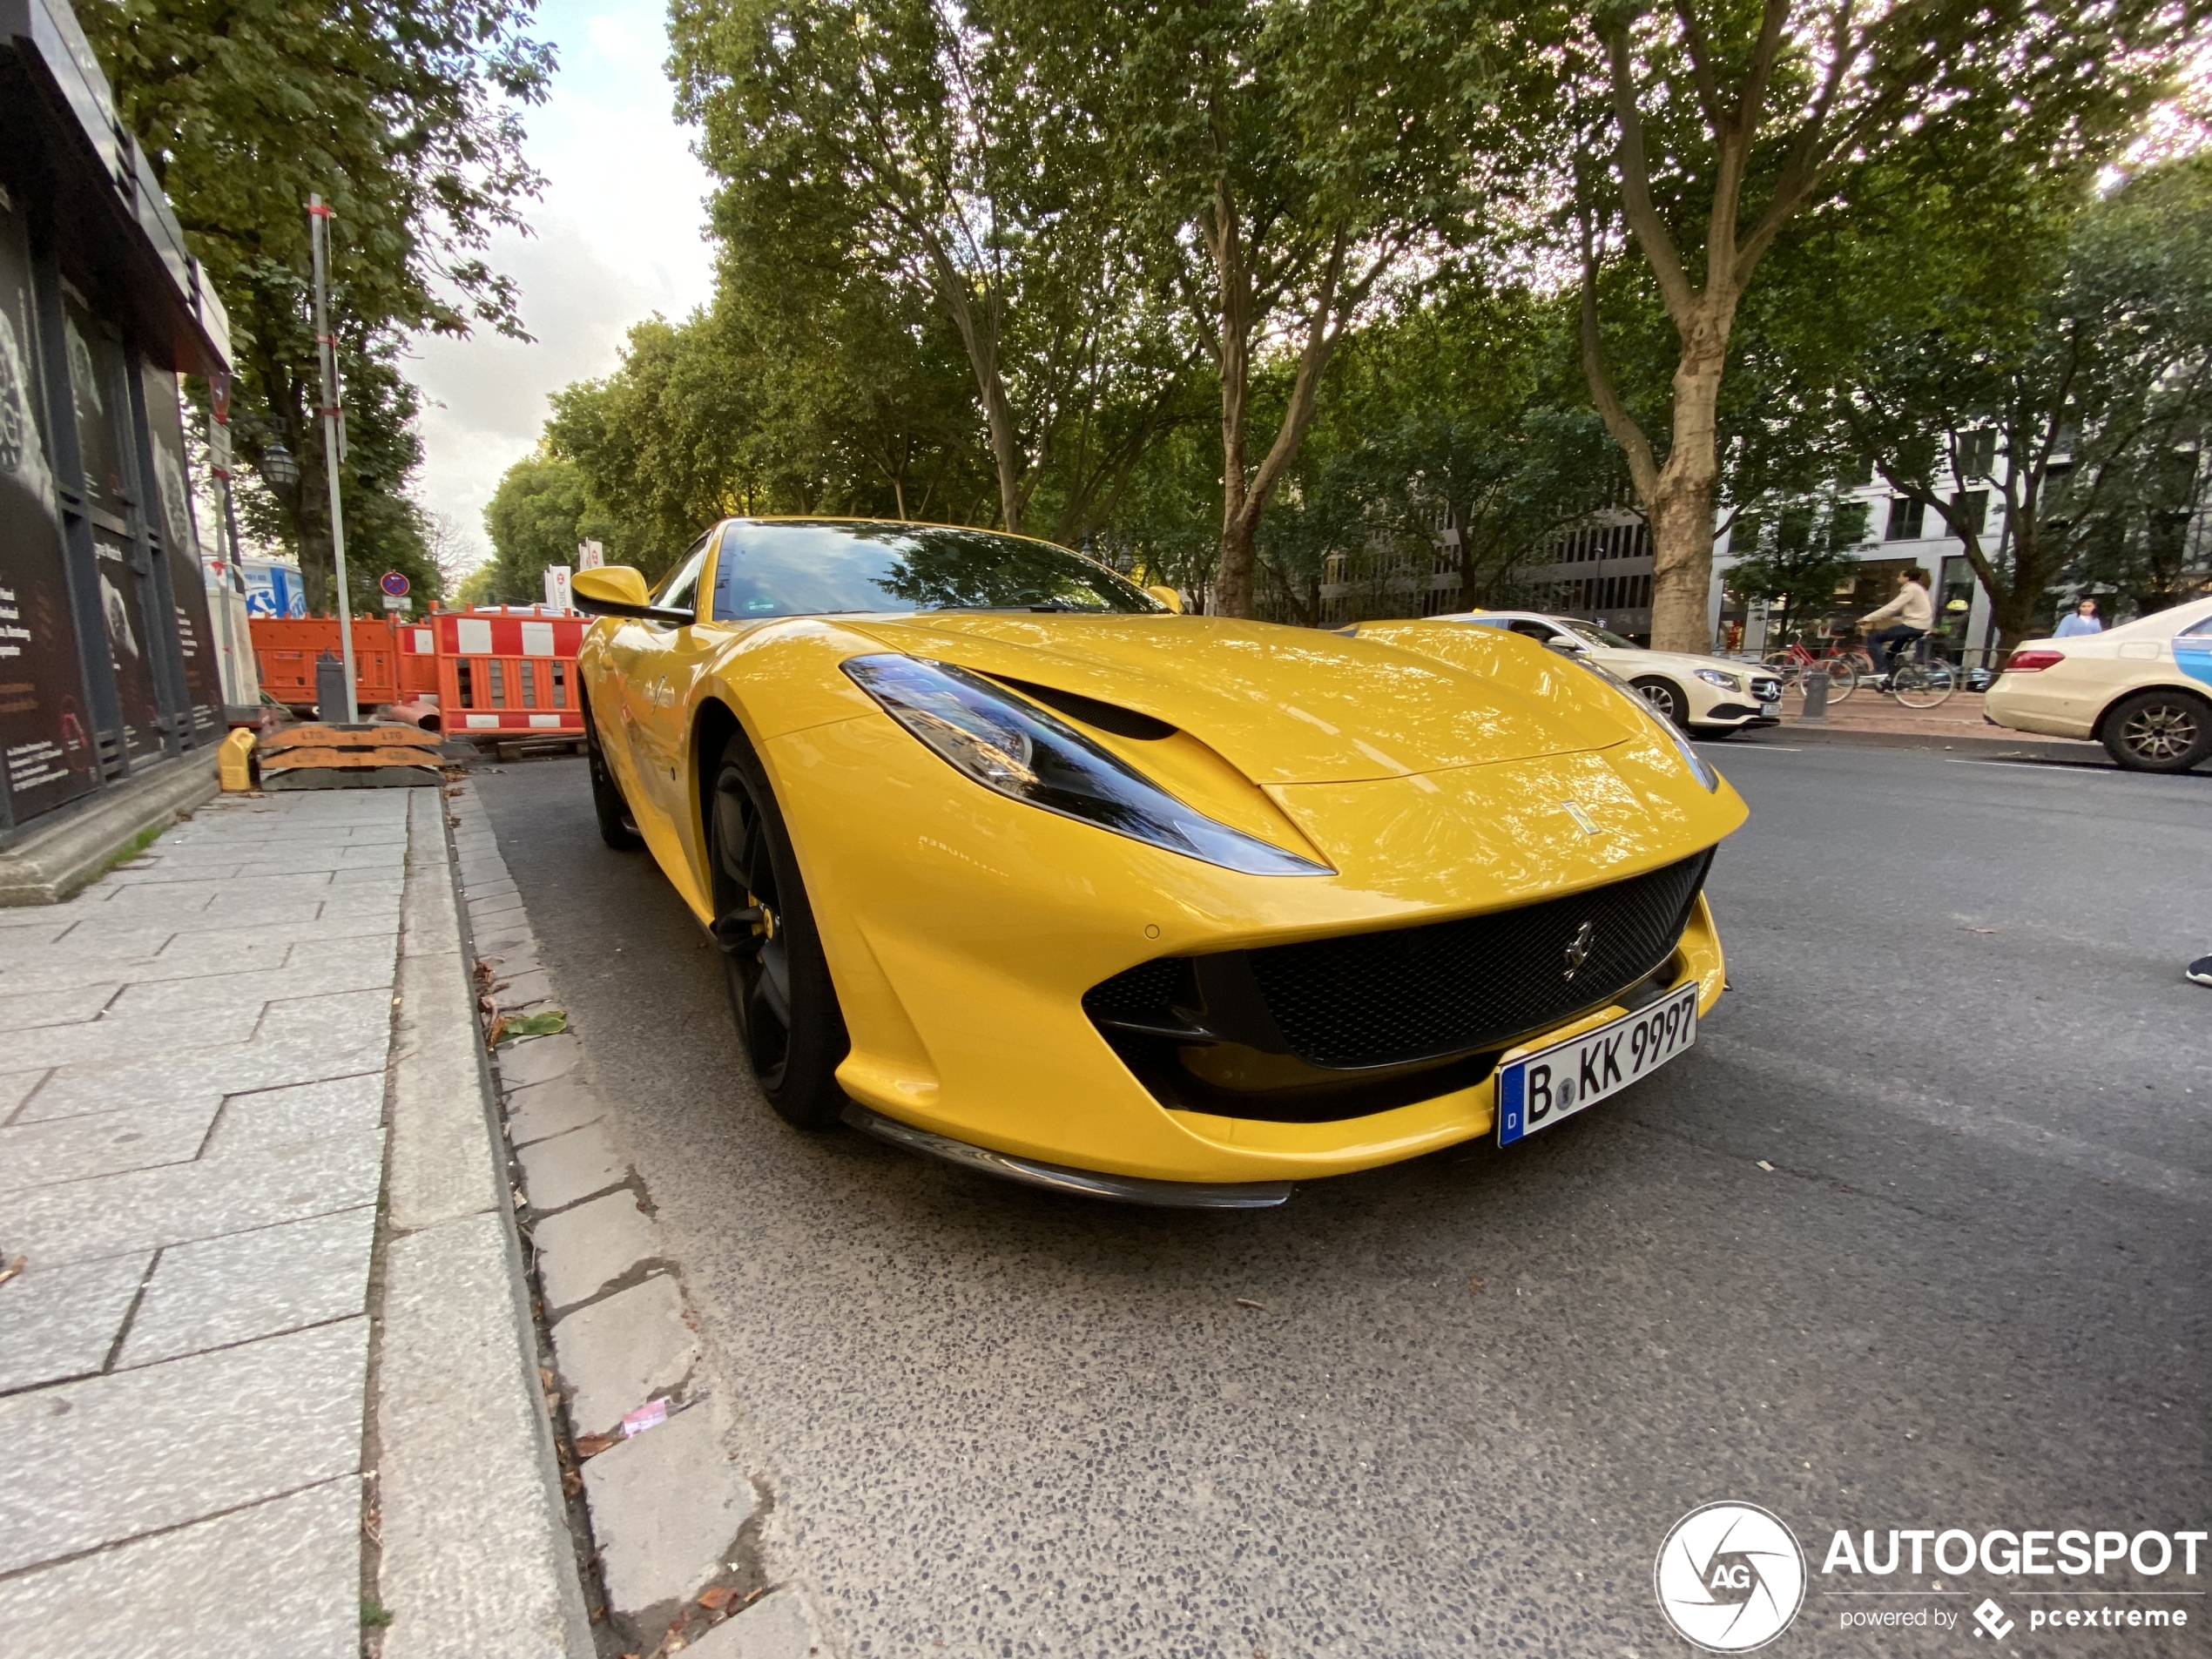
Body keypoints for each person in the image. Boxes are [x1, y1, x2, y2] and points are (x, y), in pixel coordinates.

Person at [1858, 568, 1934, 675]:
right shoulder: (1920, 589)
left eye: (1900, 576)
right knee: (1891, 653)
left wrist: (1867, 618)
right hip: (1922, 626)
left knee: (1874, 639)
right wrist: (1893, 619)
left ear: (1907, 578)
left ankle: (1881, 671)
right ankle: (1892, 681)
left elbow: (1892, 607)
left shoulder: (1911, 588)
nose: (1898, 578)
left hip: (1913, 626)